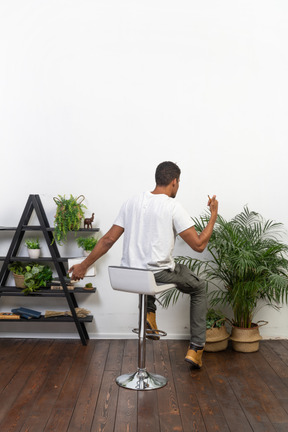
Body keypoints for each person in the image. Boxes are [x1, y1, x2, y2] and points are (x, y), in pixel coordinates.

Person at [69, 161, 218, 368]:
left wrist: (83, 265)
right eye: (179, 182)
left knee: (147, 271)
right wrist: (213, 216)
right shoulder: (172, 206)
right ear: (174, 182)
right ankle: (196, 348)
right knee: (198, 286)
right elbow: (199, 245)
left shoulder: (131, 202)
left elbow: (108, 240)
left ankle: (149, 313)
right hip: (155, 275)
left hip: (129, 275)